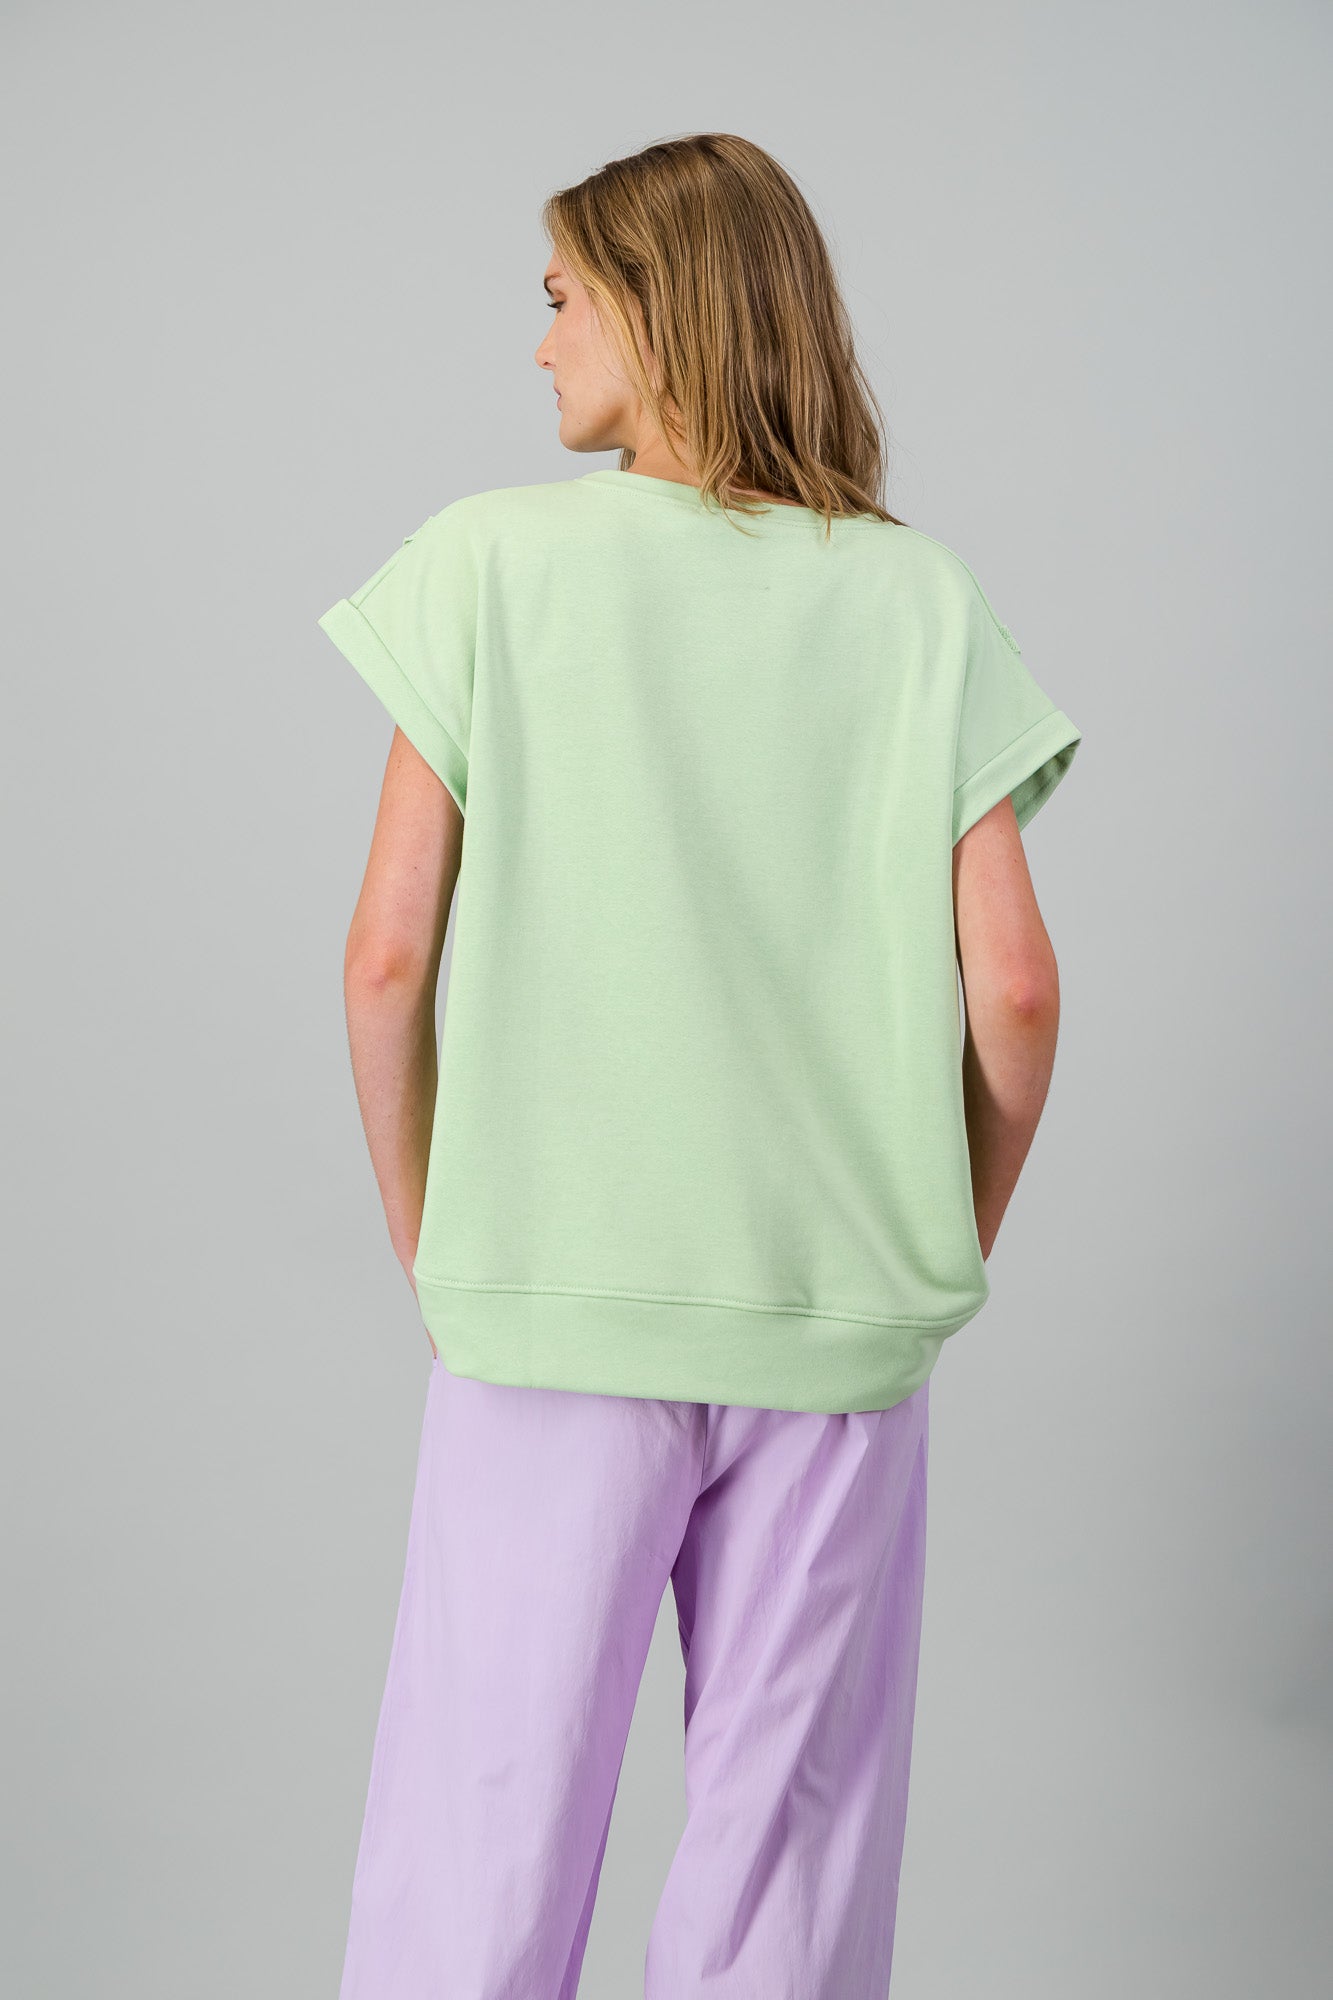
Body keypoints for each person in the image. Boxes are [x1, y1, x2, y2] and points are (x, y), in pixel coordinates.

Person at [316, 131, 1081, 2000]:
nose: (538, 342)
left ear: (658, 313)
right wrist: (921, 1253)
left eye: (561, 297)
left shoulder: (486, 563)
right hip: (830, 1330)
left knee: (481, 1847)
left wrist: (436, 1239)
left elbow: (386, 956)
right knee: (786, 1877)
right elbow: (1015, 992)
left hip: (550, 1308)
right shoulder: (916, 601)